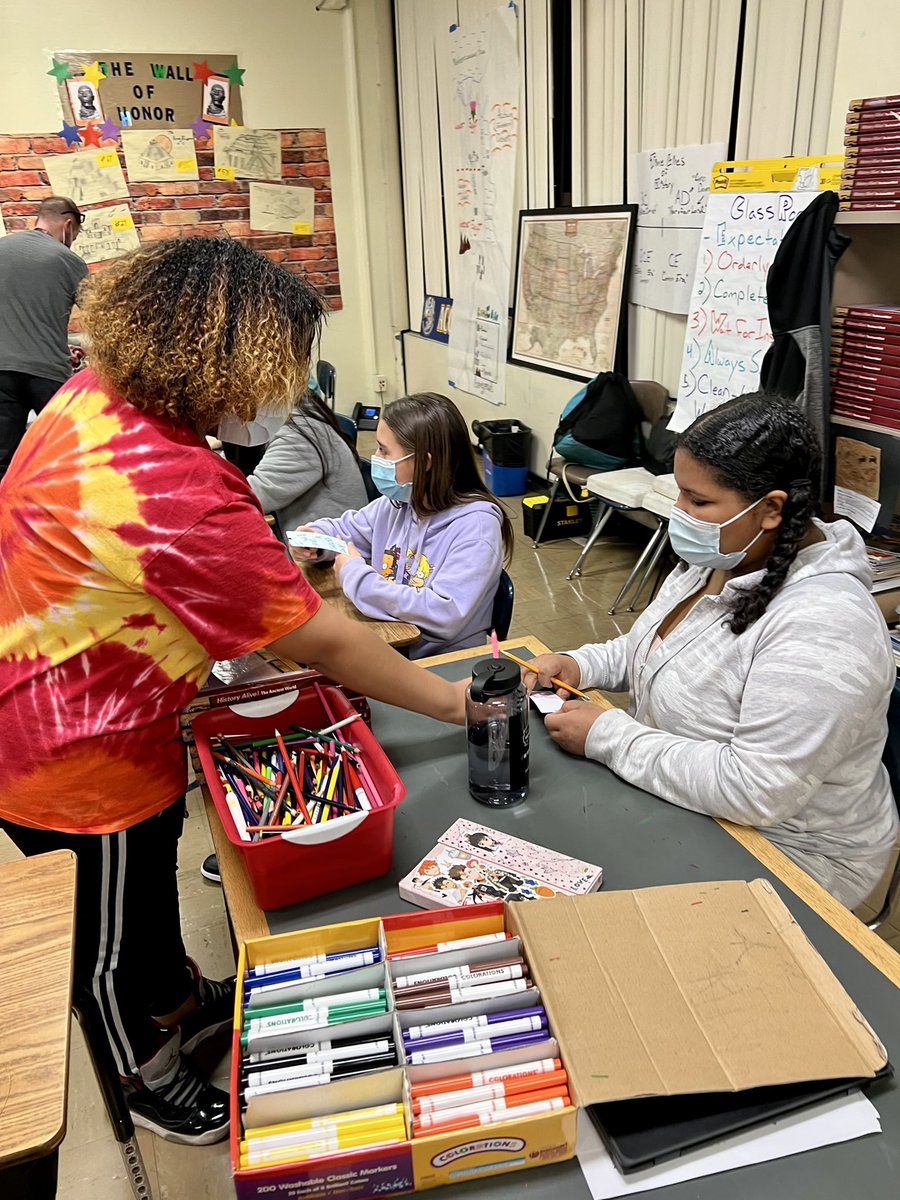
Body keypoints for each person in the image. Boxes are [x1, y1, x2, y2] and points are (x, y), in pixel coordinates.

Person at [0, 236, 464, 1147]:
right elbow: (321, 638)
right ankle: (144, 1072)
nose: (284, 389)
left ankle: (173, 993)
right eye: (281, 365)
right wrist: (453, 703)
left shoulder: (95, 400)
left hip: (90, 694)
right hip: (72, 753)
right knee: (104, 931)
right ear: (228, 357)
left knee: (146, 892)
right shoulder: (172, 485)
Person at [528, 392, 898, 912]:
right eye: (679, 493)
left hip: (791, 856)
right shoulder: (727, 554)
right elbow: (651, 646)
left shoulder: (826, 626)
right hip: (690, 803)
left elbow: (757, 789)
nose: (679, 513)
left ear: (771, 509)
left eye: (697, 501)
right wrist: (580, 663)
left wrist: (608, 735)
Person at [296, 392, 513, 659]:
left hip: (445, 659)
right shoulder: (399, 502)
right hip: (396, 645)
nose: (375, 457)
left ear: (425, 462)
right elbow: (345, 529)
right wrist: (317, 541)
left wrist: (355, 575)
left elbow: (444, 613)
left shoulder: (476, 527)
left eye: (383, 450)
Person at [0, 196, 88, 480]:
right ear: (68, 224)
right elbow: (102, 316)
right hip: (46, 375)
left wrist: (60, 346)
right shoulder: (69, 260)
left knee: (3, 459)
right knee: (68, 457)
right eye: (74, 234)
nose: (73, 239)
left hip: (2, 371)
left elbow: (20, 317)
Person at [245, 386, 367, 530]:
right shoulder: (298, 410)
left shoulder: (300, 433)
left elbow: (256, 495)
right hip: (311, 544)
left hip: (328, 547)